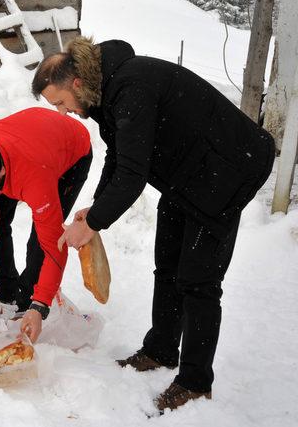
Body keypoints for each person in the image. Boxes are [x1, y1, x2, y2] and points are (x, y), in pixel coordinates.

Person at [31, 36, 275, 412]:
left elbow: (132, 172)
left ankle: (195, 382)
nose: (63, 112)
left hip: (227, 170)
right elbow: (119, 152)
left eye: (60, 102)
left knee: (198, 280)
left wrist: (94, 223)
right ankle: (161, 350)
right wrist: (95, 205)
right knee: (167, 264)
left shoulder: (131, 87)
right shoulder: (103, 93)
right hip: (187, 171)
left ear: (76, 83)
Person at [0, 107, 92, 343]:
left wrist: (40, 305)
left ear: (2, 173)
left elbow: (54, 246)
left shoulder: (36, 176)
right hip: (26, 138)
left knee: (40, 239)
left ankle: (27, 301)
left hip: (69, 151)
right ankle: (6, 293)